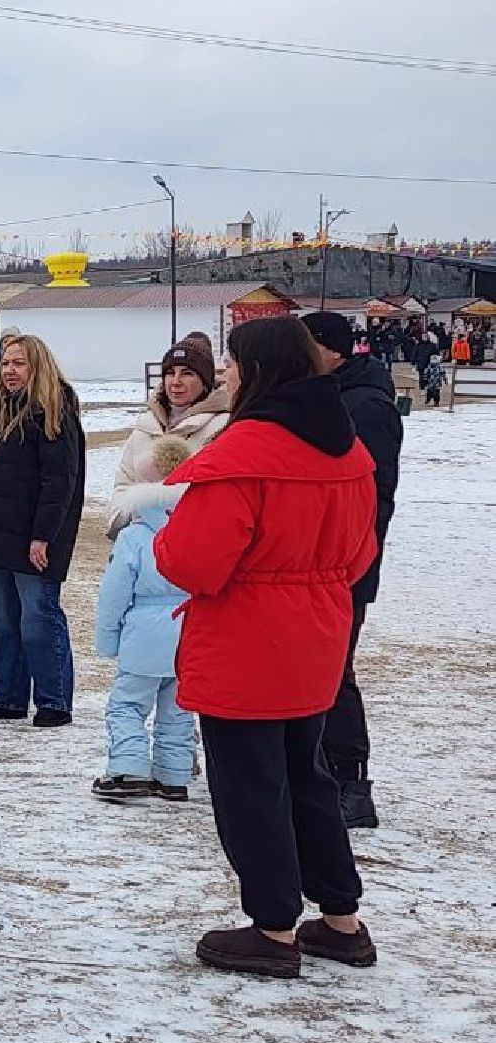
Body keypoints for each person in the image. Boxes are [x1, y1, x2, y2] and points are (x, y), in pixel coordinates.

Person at [155, 316, 379, 979]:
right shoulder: (345, 448)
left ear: (255, 371)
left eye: (230, 362)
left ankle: (273, 928)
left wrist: (165, 534)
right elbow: (361, 550)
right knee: (307, 776)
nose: (224, 372)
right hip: (316, 634)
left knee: (250, 787)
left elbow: (192, 561)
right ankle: (341, 920)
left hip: (246, 640)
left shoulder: (243, 453)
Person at [302, 311, 403, 829]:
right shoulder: (328, 395)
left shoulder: (365, 405)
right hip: (318, 564)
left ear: (331, 350)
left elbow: (372, 497)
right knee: (313, 672)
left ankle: (353, 782)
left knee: (334, 673)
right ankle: (319, 774)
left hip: (346, 567)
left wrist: (350, 557)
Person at [0, 335, 85, 728]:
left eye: (19, 364)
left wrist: (43, 535)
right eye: (6, 363)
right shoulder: (0, 410)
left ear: (38, 367)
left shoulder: (53, 413)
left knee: (38, 619)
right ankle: (9, 696)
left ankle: (53, 699)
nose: (10, 371)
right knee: (6, 620)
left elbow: (58, 483)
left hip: (34, 537)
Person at [92, 435, 196, 800]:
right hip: (190, 630)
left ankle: (128, 768)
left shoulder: (134, 536)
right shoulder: (198, 529)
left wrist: (107, 637)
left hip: (144, 634)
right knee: (179, 707)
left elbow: (115, 592)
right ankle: (174, 775)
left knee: (128, 704)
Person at [107, 340, 232, 538]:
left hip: (194, 540)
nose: (176, 381)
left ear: (205, 381)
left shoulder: (222, 428)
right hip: (140, 538)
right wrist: (124, 522)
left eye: (187, 373)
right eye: (170, 373)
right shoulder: (146, 425)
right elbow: (124, 481)